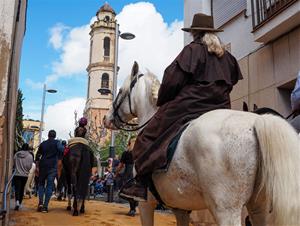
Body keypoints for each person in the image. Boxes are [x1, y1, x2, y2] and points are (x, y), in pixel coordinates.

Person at [119, 13, 243, 201]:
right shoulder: (228, 57)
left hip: (191, 104)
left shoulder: (192, 50)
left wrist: (163, 99)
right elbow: (231, 83)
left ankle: (140, 183)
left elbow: (172, 81)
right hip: (221, 106)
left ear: (194, 33)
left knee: (147, 135)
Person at [35, 130, 63, 213]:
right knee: (49, 186)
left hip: (43, 165)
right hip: (52, 166)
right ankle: (45, 207)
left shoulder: (43, 143)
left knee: (41, 184)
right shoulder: (57, 143)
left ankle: (40, 203)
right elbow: (62, 150)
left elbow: (37, 156)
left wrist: (37, 166)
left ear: (48, 135)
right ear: (55, 136)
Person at [116, 137, 138, 216]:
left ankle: (132, 209)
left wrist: (116, 171)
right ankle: (134, 206)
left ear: (128, 143)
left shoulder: (126, 153)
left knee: (127, 191)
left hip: (129, 173)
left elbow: (121, 165)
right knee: (136, 191)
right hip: (138, 172)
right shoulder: (140, 152)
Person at [13, 143, 34, 210]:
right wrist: (26, 170)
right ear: (28, 148)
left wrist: (17, 168)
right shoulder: (30, 156)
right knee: (22, 189)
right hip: (25, 175)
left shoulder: (17, 154)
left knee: (17, 189)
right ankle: (20, 203)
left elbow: (14, 162)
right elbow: (30, 166)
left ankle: (17, 202)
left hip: (17, 174)